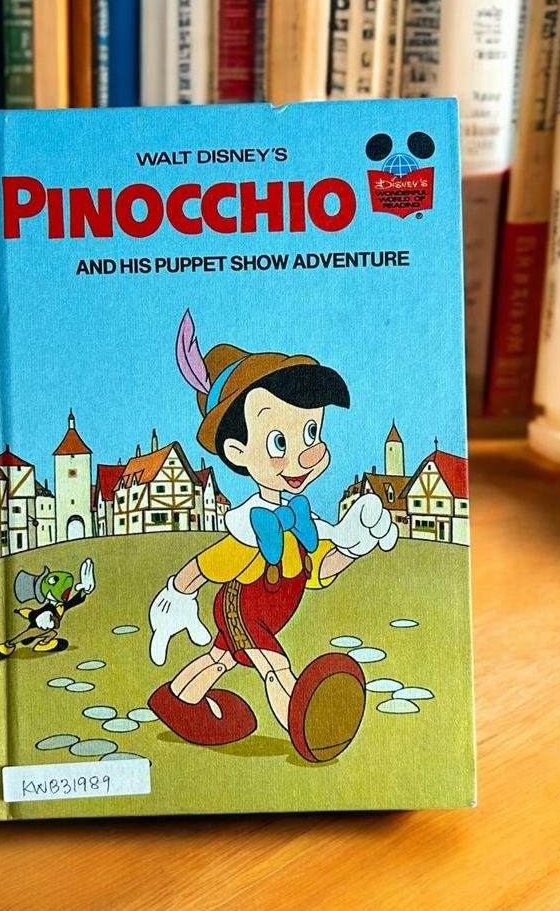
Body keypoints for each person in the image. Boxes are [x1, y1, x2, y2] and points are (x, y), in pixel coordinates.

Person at [147, 312, 398, 762]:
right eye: (280, 442)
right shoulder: (250, 528)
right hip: (243, 608)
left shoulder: (301, 520)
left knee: (223, 657)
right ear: (237, 451)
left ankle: (178, 700)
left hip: (269, 609)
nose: (306, 454)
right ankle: (307, 729)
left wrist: (354, 547)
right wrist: (176, 595)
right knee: (274, 667)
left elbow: (316, 572)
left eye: (312, 432)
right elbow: (207, 566)